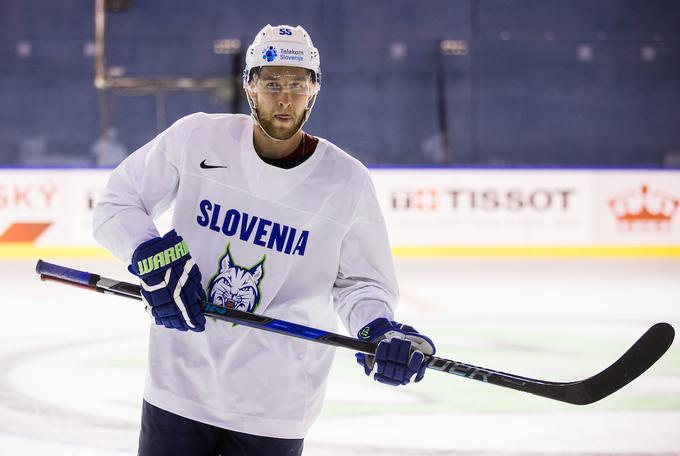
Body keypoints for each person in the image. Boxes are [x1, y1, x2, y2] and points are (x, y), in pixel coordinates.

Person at [92, 24, 435, 456]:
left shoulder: (346, 181)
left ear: (315, 90)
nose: (285, 98)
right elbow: (116, 204)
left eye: (298, 84)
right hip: (179, 385)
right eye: (272, 83)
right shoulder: (197, 138)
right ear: (249, 86)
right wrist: (151, 254)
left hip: (275, 404)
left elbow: (361, 284)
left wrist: (377, 328)